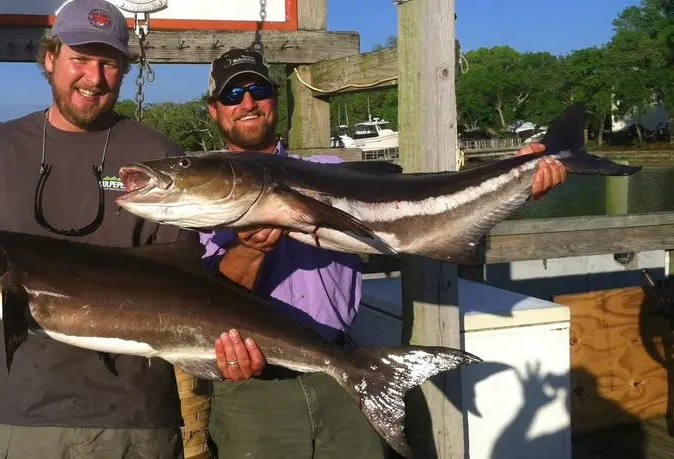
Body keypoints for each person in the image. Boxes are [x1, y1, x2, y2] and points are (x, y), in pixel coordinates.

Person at [0, 3, 260, 458]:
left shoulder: (157, 157)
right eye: (80, 58)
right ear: (49, 58)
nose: (93, 78)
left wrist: (233, 337)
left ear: (123, 70)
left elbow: (190, 283)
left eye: (109, 63)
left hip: (137, 421)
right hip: (23, 418)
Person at [197, 48, 568, 459]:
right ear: (215, 110)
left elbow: (422, 210)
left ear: (275, 98)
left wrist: (516, 181)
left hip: (343, 368)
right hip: (254, 387)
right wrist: (248, 251)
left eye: (258, 90)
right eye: (232, 96)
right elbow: (205, 299)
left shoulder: (331, 168)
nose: (247, 103)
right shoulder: (197, 198)